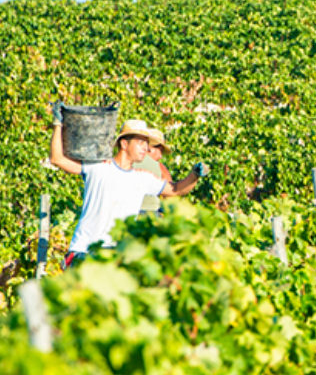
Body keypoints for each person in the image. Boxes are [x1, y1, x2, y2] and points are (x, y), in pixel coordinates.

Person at [49, 102, 208, 268]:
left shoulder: (143, 179)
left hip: (116, 254)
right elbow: (57, 159)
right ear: (124, 144)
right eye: (140, 142)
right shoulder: (97, 167)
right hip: (84, 251)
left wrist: (194, 175)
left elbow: (175, 190)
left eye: (147, 144)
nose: (145, 148)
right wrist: (58, 124)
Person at [134, 127, 174, 213]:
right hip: (150, 214)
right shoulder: (160, 167)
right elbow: (171, 195)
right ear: (151, 148)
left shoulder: (127, 161)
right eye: (161, 151)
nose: (161, 156)